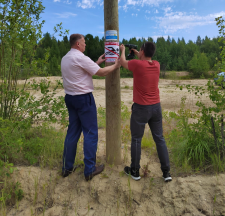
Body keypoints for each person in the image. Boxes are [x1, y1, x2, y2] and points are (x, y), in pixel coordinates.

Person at [61, 34, 121, 181]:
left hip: (70, 98)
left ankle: (66, 168)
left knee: (72, 133)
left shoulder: (65, 58)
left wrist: (97, 62)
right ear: (77, 44)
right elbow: (101, 73)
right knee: (90, 133)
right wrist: (116, 65)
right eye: (84, 42)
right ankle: (89, 169)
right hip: (83, 99)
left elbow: (81, 73)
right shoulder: (80, 57)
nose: (85, 44)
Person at [120, 42, 172, 182]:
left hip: (141, 108)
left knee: (136, 139)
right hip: (156, 107)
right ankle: (166, 173)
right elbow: (144, 60)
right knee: (159, 139)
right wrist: (137, 52)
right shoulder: (156, 65)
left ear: (142, 51)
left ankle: (135, 171)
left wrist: (123, 50)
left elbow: (123, 62)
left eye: (140, 51)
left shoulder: (137, 64)